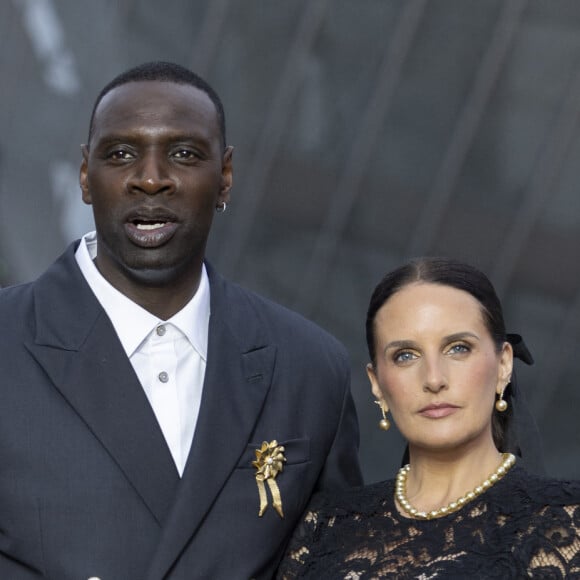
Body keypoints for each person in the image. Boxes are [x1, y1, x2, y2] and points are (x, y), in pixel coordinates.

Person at [0, 61, 362, 579]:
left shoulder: (309, 365)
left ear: (226, 176)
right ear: (85, 174)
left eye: (184, 154)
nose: (151, 178)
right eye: (121, 153)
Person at [278, 257, 580, 578]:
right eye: (405, 356)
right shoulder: (323, 527)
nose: (434, 379)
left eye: (458, 348)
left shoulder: (566, 521)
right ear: (377, 384)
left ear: (503, 364)